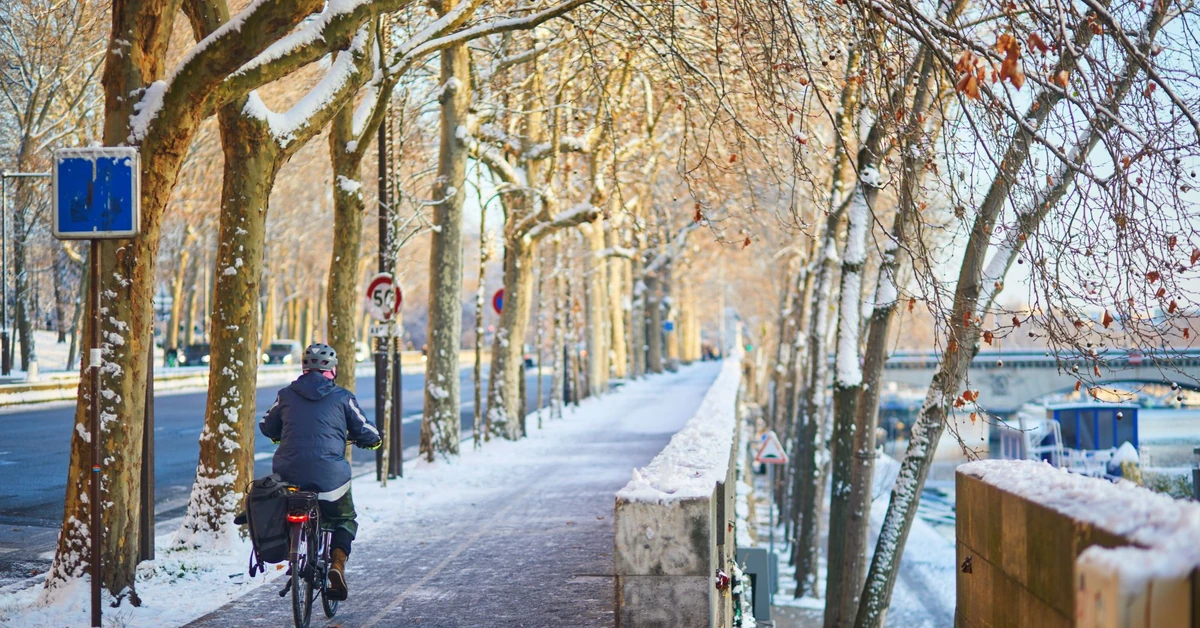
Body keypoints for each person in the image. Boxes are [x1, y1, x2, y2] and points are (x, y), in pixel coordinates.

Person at [259, 342, 380, 601]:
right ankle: (336, 565)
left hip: (288, 476)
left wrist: (280, 435)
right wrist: (372, 441)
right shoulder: (343, 397)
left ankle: (294, 545)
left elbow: (267, 425)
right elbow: (368, 432)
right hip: (330, 478)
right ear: (332, 370)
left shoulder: (285, 395)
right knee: (344, 519)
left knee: (290, 503)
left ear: (304, 367)